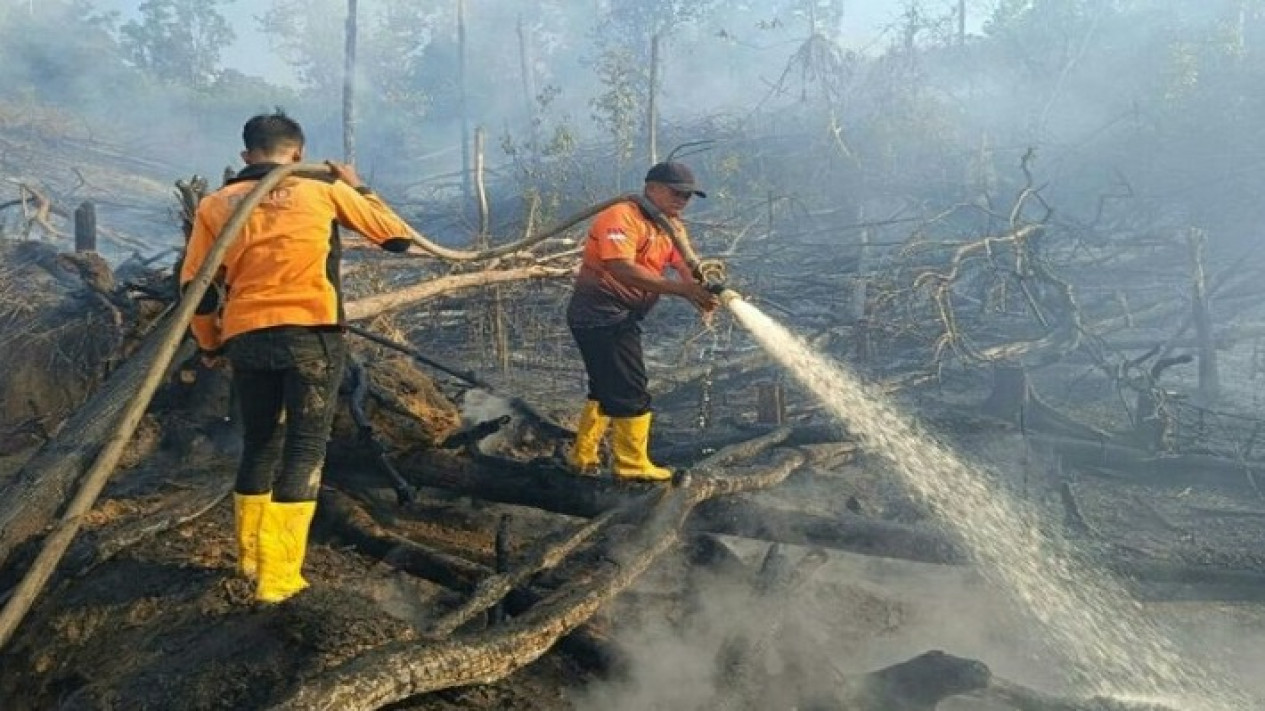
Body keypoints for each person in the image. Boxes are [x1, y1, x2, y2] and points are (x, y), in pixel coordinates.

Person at [180, 111, 416, 604]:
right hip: (311, 333)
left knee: (260, 444)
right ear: (300, 153)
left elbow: (196, 290)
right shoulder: (321, 191)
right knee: (305, 450)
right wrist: (360, 187)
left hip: (247, 336)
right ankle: (280, 578)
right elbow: (397, 238)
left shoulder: (217, 204)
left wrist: (210, 344)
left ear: (246, 157)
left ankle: (249, 560)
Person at [565, 161, 719, 482]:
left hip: (619, 314)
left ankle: (583, 456)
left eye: (688, 196)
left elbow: (686, 265)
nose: (682, 201)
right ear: (652, 189)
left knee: (604, 387)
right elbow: (620, 267)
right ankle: (631, 466)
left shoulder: (671, 228)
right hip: (599, 313)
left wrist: (703, 292)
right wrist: (682, 290)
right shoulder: (621, 216)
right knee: (630, 391)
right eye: (676, 193)